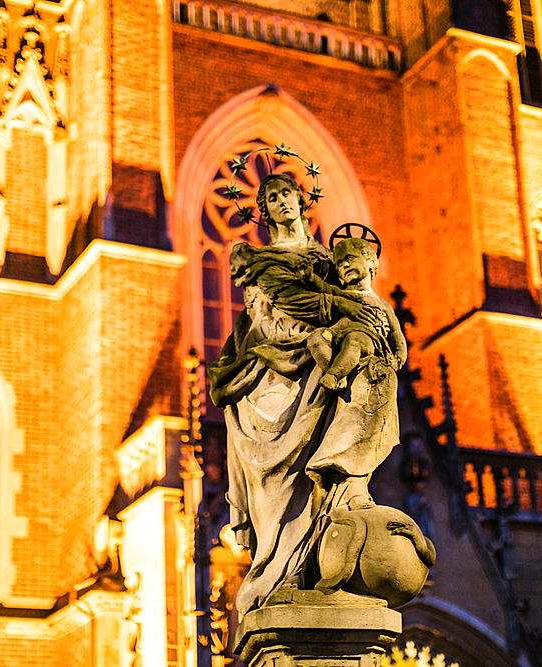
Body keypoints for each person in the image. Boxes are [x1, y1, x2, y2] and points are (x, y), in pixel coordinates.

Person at [208, 173, 403, 617]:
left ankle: (334, 524)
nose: (282, 203)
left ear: (302, 201)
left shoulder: (327, 259)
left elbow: (354, 293)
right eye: (271, 198)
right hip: (271, 370)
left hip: (319, 357)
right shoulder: (259, 260)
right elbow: (293, 303)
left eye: (287, 195)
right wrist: (353, 310)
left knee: (360, 385)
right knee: (277, 481)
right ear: (264, 209)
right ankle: (276, 570)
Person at [306, 238, 407, 393]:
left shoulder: (382, 304)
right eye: (339, 264)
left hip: (368, 338)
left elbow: (395, 332)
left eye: (350, 258)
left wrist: (399, 357)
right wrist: (310, 278)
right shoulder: (342, 294)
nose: (344, 265)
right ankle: (340, 371)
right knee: (315, 339)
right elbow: (325, 288)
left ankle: (334, 375)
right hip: (337, 334)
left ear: (370, 262)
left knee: (354, 341)